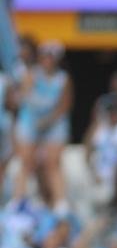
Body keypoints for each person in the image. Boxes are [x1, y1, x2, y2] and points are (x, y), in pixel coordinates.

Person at [14, 41, 71, 210]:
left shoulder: (63, 79)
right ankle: (18, 200)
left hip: (53, 122)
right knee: (26, 161)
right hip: (31, 120)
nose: (48, 60)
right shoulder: (31, 74)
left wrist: (48, 121)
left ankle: (60, 203)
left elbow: (64, 105)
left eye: (52, 56)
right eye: (46, 56)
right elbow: (24, 98)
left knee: (53, 163)